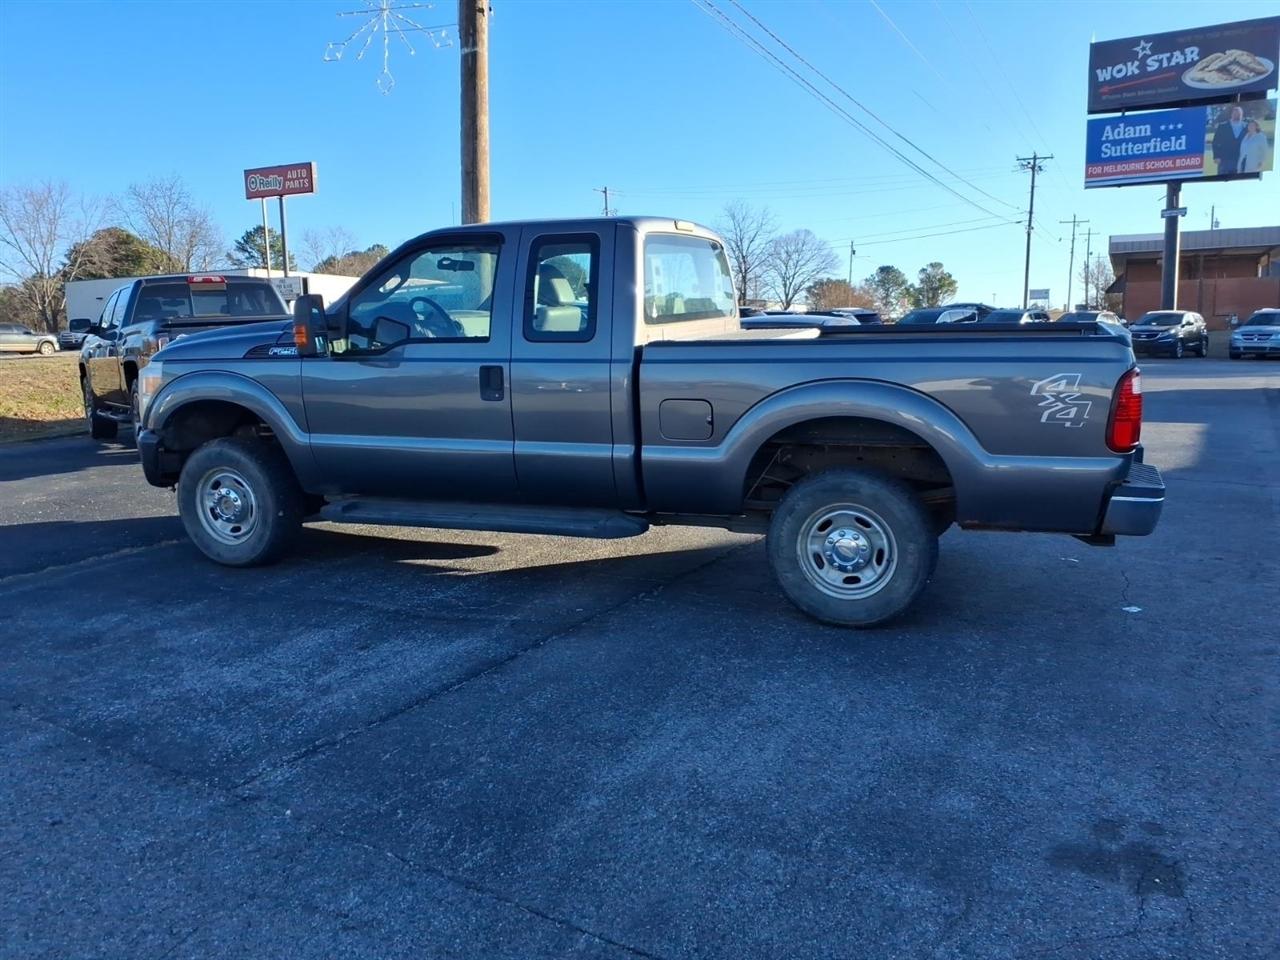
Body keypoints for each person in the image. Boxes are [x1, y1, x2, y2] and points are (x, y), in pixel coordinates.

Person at [1212, 105, 1247, 175]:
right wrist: (1216, 156)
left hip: (1241, 160)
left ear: (1241, 115)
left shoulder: (1246, 126)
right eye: (1235, 113)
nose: (1237, 115)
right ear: (1232, 114)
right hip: (1225, 160)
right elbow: (1215, 142)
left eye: (1239, 113)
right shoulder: (1222, 126)